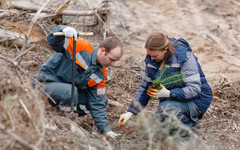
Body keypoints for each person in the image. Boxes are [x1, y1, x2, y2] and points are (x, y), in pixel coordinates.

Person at [33, 25, 123, 138]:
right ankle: (62, 122)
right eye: (112, 59)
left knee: (102, 101)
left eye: (116, 61)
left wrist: (106, 130)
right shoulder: (80, 46)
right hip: (43, 86)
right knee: (70, 92)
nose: (113, 64)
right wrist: (63, 29)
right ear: (102, 51)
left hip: (66, 97)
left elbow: (98, 103)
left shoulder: (101, 75)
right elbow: (53, 41)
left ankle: (56, 114)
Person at [118, 32, 213, 132]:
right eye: (149, 55)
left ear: (165, 50)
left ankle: (191, 130)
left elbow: (194, 89)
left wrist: (169, 93)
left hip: (198, 99)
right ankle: (181, 126)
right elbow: (144, 88)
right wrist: (131, 112)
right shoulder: (152, 61)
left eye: (154, 55)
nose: (151, 58)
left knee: (165, 112)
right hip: (173, 100)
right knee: (156, 127)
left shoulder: (185, 57)